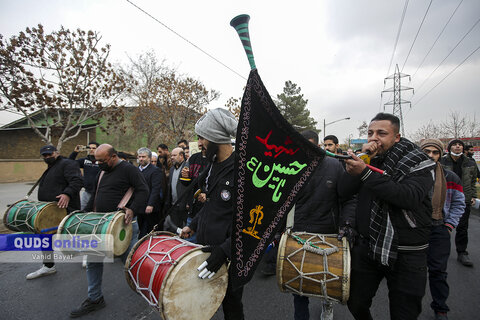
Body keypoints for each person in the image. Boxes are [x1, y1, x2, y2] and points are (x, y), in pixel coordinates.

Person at [340, 113, 435, 320]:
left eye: (382, 133)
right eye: (370, 133)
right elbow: (344, 192)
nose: (374, 139)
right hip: (368, 247)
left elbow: (408, 197)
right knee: (355, 301)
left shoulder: (419, 162)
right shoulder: (367, 160)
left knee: (404, 312)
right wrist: (361, 163)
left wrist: (365, 173)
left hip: (407, 253)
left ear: (397, 137)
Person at [70, 144, 149, 318]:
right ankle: (95, 298)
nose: (98, 164)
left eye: (102, 160)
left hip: (122, 226)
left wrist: (132, 209)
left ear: (113, 156)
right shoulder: (103, 171)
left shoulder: (129, 169)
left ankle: (151, 289)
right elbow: (97, 195)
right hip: (100, 225)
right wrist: (85, 213)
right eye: (96, 161)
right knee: (93, 260)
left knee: (130, 262)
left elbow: (144, 190)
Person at [181, 108, 243, 320]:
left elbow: (251, 222)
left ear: (216, 138)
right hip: (205, 250)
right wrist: (194, 225)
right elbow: (211, 205)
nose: (199, 144)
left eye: (202, 137)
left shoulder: (242, 170)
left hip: (229, 257)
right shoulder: (210, 167)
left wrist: (225, 251)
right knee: (205, 303)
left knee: (232, 307)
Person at [289, 130, 356, 320]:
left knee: (326, 280)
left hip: (328, 232)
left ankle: (327, 305)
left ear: (317, 146)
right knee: (298, 284)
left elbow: (348, 199)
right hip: (298, 233)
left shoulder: (335, 166)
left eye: (310, 145)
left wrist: (347, 224)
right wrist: (279, 231)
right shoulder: (290, 167)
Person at [420, 139, 465, 320]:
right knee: (410, 272)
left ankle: (440, 309)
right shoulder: (410, 176)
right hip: (416, 230)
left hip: (439, 229)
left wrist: (449, 225)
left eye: (434, 152)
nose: (430, 156)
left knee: (438, 271)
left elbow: (458, 204)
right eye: (426, 152)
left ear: (440, 155)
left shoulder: (450, 177)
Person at [26, 145, 83, 280]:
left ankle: (88, 256)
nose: (47, 157)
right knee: (44, 236)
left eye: (49, 154)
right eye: (44, 156)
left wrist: (67, 194)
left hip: (65, 209)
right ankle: (48, 266)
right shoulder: (52, 167)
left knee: (75, 233)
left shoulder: (68, 163)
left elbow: (77, 180)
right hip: (49, 210)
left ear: (57, 153)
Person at [440, 139, 477, 267]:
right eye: (455, 145)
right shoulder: (442, 161)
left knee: (462, 227)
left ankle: (462, 252)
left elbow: (473, 181)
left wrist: (473, 195)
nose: (457, 146)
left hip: (463, 198)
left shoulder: (470, 162)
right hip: (444, 198)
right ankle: (438, 253)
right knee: (441, 227)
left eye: (460, 145)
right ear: (450, 148)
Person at [180, 138, 209, 243]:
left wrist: (207, 195)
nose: (200, 143)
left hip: (208, 212)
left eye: (203, 139)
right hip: (193, 211)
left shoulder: (215, 160)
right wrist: (185, 177)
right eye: (199, 139)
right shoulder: (193, 158)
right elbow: (188, 184)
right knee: (189, 244)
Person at [137, 147, 164, 238]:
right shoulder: (136, 170)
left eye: (143, 157)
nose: (141, 159)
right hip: (139, 206)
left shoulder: (155, 171)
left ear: (149, 158)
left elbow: (155, 189)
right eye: (140, 156)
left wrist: (150, 204)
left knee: (150, 231)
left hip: (150, 206)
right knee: (140, 229)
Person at [69, 142, 100, 210]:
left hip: (98, 192)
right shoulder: (85, 160)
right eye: (89, 148)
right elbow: (70, 163)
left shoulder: (102, 161)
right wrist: (75, 152)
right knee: (83, 210)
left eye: (94, 148)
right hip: (87, 192)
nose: (91, 150)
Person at [164, 147, 188, 231]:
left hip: (184, 207)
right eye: (171, 155)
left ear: (181, 156)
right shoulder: (172, 169)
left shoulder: (187, 168)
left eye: (174, 155)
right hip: (173, 206)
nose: (172, 157)